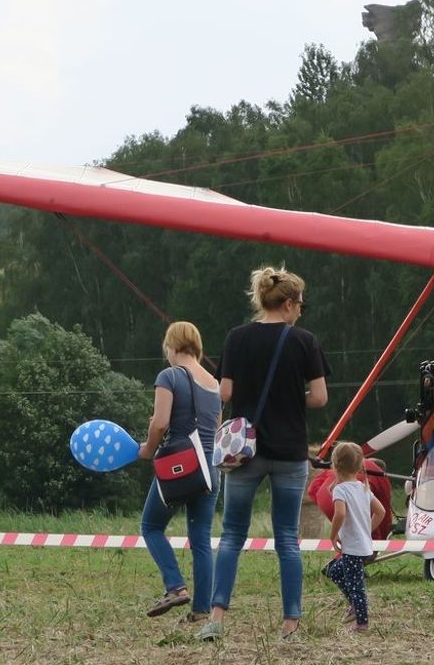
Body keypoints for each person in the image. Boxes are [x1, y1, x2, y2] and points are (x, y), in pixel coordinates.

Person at [198, 266, 330, 642]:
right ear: (287, 304)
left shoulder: (237, 338)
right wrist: (291, 398)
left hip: (245, 451)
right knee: (287, 538)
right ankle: (290, 624)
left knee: (231, 535)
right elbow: (320, 397)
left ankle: (216, 618)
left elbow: (225, 393)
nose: (301, 310)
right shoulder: (305, 342)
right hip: (289, 451)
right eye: (300, 304)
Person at [137, 321, 222, 623]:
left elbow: (160, 423)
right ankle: (201, 611)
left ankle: (175, 586)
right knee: (201, 539)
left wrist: (148, 449)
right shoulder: (214, 383)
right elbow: (215, 428)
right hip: (210, 468)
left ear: (171, 346)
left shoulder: (169, 376)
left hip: (181, 466)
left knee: (151, 526)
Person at [324, 442, 386, 633]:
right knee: (333, 571)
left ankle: (362, 622)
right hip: (362, 544)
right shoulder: (362, 487)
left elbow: (340, 514)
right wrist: (367, 529)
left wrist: (333, 534)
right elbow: (381, 512)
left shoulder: (340, 490)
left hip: (352, 547)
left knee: (356, 584)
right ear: (359, 466)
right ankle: (354, 603)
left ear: (335, 465)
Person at [309, 456, 393, 540]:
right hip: (347, 502)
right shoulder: (378, 476)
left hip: (324, 498)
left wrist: (325, 504)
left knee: (350, 536)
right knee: (372, 536)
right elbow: (384, 510)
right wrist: (384, 537)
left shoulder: (343, 464)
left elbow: (312, 489)